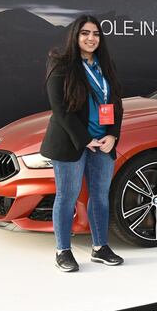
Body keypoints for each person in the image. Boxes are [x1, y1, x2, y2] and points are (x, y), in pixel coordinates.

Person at [41, 15, 124, 272]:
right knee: (67, 197)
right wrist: (86, 140)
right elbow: (60, 109)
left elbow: (116, 103)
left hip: (103, 142)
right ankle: (62, 251)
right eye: (85, 33)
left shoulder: (105, 65)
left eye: (96, 34)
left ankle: (100, 248)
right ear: (75, 36)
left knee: (100, 196)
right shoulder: (61, 63)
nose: (91, 38)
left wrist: (112, 135)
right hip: (72, 142)